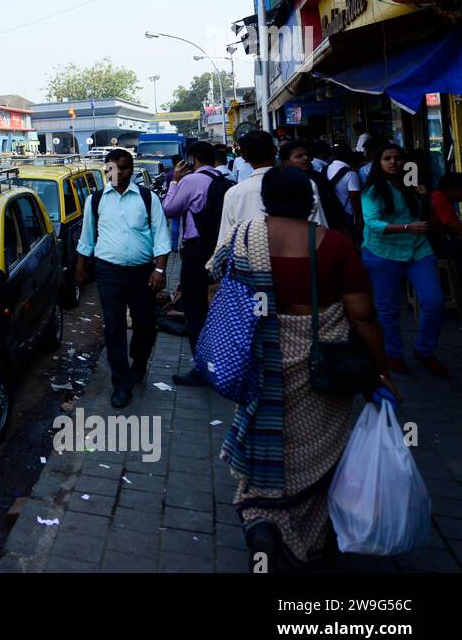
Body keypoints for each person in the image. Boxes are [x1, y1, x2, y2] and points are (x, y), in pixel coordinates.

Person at [212, 165, 391, 571]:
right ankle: (305, 531)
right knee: (320, 449)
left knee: (267, 437)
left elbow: (219, 290)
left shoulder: (243, 238)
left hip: (260, 367)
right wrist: (381, 370)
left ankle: (262, 515)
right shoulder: (335, 245)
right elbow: (362, 315)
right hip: (319, 369)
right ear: (311, 201)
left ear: (265, 200)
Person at [75, 149, 172, 409]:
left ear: (131, 169)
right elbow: (87, 239)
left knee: (146, 326)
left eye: (125, 167)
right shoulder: (95, 201)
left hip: (143, 273)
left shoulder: (147, 198)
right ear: (106, 170)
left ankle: (138, 363)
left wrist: (160, 270)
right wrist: (80, 269)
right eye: (112, 168)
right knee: (113, 326)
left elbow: (162, 236)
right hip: (109, 272)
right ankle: (121, 383)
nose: (118, 173)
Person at [360, 144, 447, 376]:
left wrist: (424, 198)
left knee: (434, 302)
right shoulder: (373, 191)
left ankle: (425, 350)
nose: (393, 163)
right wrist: (407, 227)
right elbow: (372, 223)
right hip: (381, 253)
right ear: (378, 162)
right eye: (387, 158)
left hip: (419, 250)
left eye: (398, 158)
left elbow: (425, 217)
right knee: (387, 308)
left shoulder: (413, 186)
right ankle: (393, 353)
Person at [161, 140, 230, 382]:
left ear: (191, 159)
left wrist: (175, 181)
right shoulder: (225, 180)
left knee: (195, 310)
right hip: (221, 252)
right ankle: (219, 362)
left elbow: (168, 209)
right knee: (216, 309)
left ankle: (201, 368)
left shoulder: (191, 181)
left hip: (196, 253)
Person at [218, 130, 326, 248]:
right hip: (301, 257)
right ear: (275, 149)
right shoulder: (305, 183)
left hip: (253, 262)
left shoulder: (233, 194)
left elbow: (225, 244)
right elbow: (320, 230)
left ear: (244, 156)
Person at [279, 139, 349, 235]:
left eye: (307, 154)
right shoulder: (282, 183)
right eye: (299, 156)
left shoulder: (318, 178)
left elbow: (334, 206)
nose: (306, 158)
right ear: (287, 162)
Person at [326, 143, 363, 232]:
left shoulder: (324, 169)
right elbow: (355, 198)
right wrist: (359, 218)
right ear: (350, 156)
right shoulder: (351, 174)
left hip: (329, 212)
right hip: (347, 213)